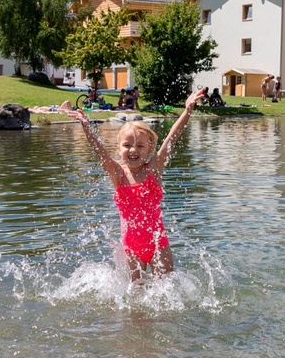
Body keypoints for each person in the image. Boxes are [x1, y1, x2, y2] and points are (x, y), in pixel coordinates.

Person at [68, 87, 207, 281]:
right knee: (136, 297)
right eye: (127, 145)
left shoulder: (154, 170)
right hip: (131, 249)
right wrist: (86, 125)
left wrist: (187, 111)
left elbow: (171, 140)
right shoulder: (118, 174)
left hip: (159, 244)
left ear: (149, 148)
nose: (133, 150)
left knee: (165, 294)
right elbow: (100, 152)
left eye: (140, 146)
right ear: (119, 148)